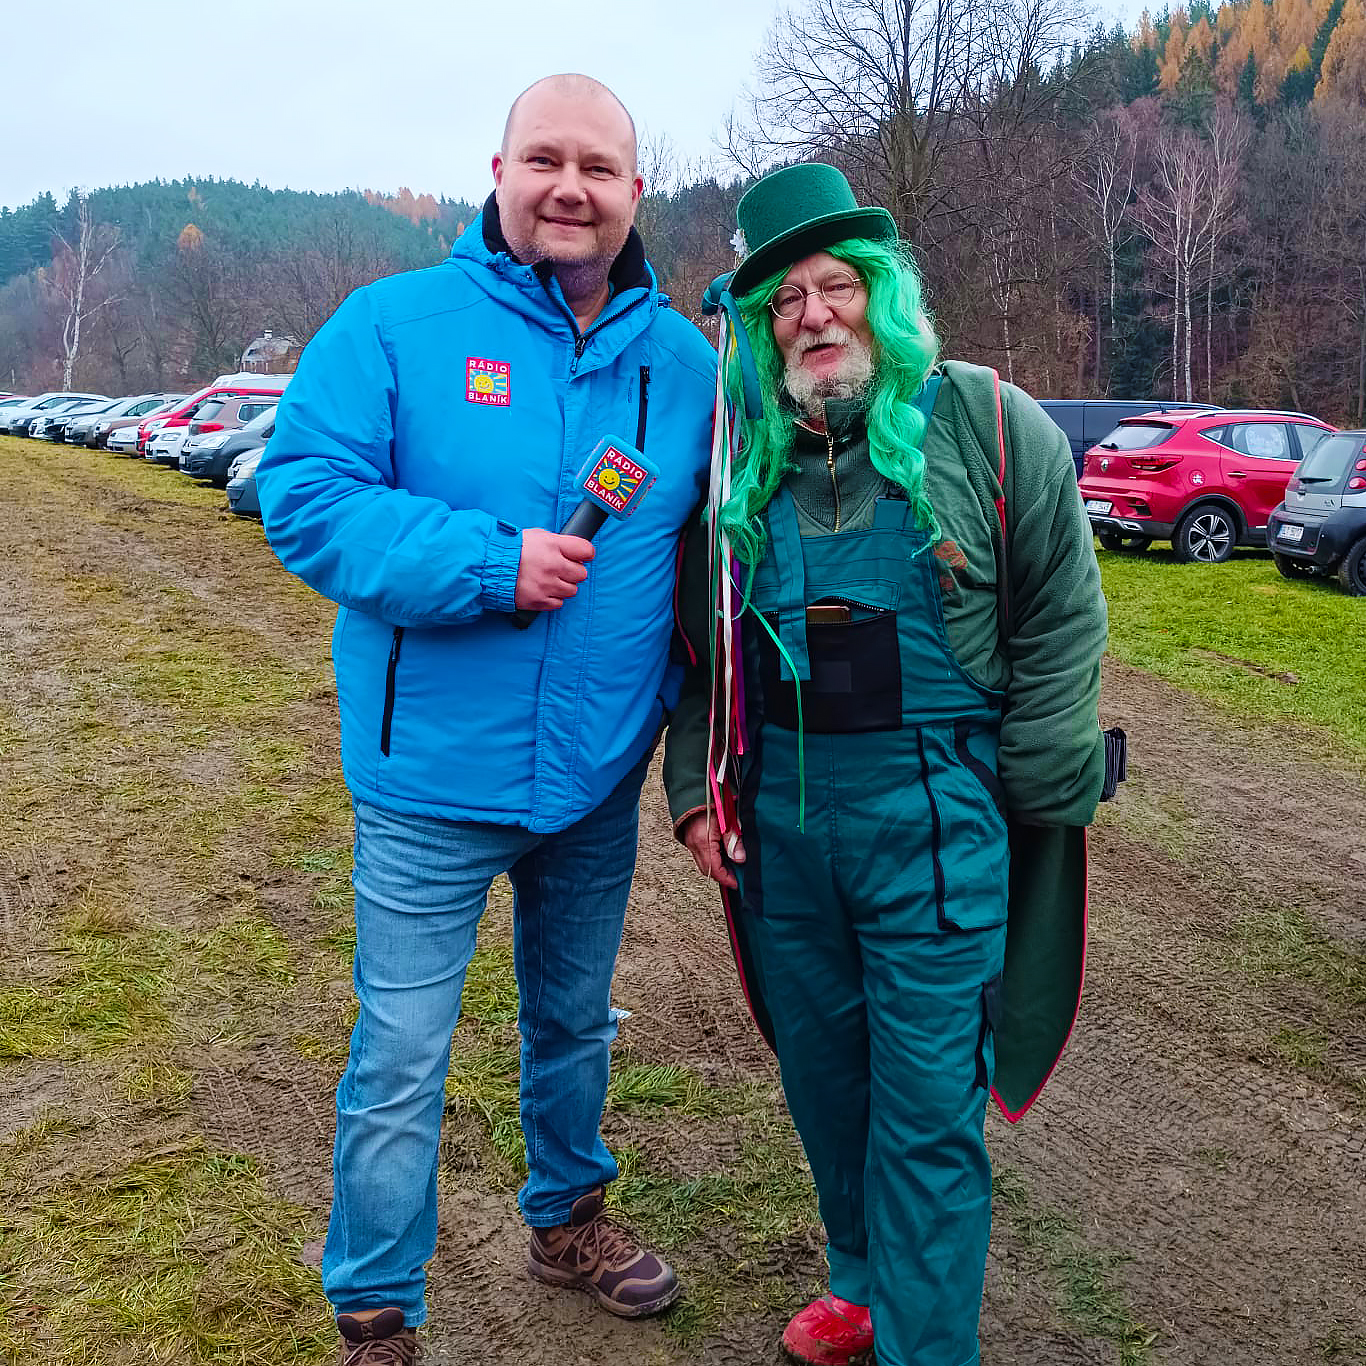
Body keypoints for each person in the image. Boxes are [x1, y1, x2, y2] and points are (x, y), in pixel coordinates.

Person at [257, 74, 715, 1366]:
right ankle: (378, 1310)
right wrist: (483, 562)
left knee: (574, 1021)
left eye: (600, 167)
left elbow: (725, 546)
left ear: (636, 192)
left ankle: (566, 1217)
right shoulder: (392, 327)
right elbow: (302, 494)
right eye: (544, 160)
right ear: (499, 171)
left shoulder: (683, 367)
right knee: (401, 1054)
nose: (570, 187)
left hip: (593, 782)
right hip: (426, 784)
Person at [663, 164, 1122, 1366]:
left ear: (879, 294)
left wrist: (1029, 797)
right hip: (787, 840)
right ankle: (861, 1283)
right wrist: (693, 797)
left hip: (931, 829)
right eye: (782, 301)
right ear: (761, 333)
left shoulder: (984, 422)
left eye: (835, 286)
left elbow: (1065, 619)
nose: (814, 315)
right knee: (824, 1084)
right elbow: (699, 653)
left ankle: (928, 1346)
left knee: (925, 1120)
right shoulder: (734, 464)